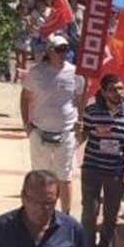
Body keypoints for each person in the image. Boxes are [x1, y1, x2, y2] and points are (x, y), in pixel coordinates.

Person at [79, 73, 124, 247]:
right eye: (113, 89)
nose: (118, 92)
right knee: (90, 211)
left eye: (121, 88)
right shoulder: (92, 112)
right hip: (92, 168)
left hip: (115, 171)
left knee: (111, 214)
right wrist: (75, 133)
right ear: (104, 92)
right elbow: (83, 136)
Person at [20, 33, 84, 211]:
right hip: (40, 131)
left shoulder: (75, 73)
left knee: (65, 176)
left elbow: (80, 99)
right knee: (40, 177)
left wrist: (80, 120)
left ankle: (65, 215)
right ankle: (40, 211)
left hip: (66, 132)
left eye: (65, 49)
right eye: (59, 49)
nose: (63, 53)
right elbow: (25, 97)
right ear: (49, 51)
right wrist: (26, 123)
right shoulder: (36, 72)